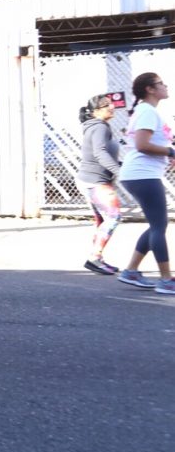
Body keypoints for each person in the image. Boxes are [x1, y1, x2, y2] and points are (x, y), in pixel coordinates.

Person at [116, 73, 175, 295]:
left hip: (141, 174)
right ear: (150, 89)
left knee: (156, 225)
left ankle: (131, 271)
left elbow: (149, 144)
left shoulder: (147, 111)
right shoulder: (148, 112)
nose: (166, 85)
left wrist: (168, 153)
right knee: (159, 226)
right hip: (142, 174)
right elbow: (142, 145)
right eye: (161, 83)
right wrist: (170, 151)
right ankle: (166, 280)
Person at [76, 94, 122, 275]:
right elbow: (100, 153)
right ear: (95, 112)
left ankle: (97, 258)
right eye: (106, 105)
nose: (111, 107)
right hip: (95, 181)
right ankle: (94, 258)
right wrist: (120, 172)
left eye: (111, 104)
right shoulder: (99, 127)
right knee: (113, 217)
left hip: (91, 180)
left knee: (102, 220)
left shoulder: (96, 126)